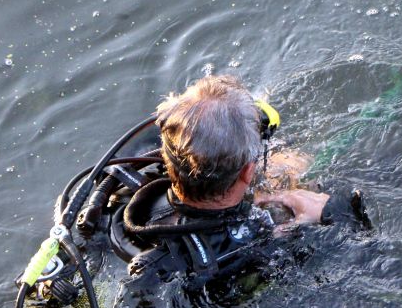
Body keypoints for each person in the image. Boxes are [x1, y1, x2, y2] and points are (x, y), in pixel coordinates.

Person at [112, 74, 367, 286]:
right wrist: (336, 211)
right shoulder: (261, 246)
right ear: (247, 172)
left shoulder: (127, 197)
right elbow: (364, 259)